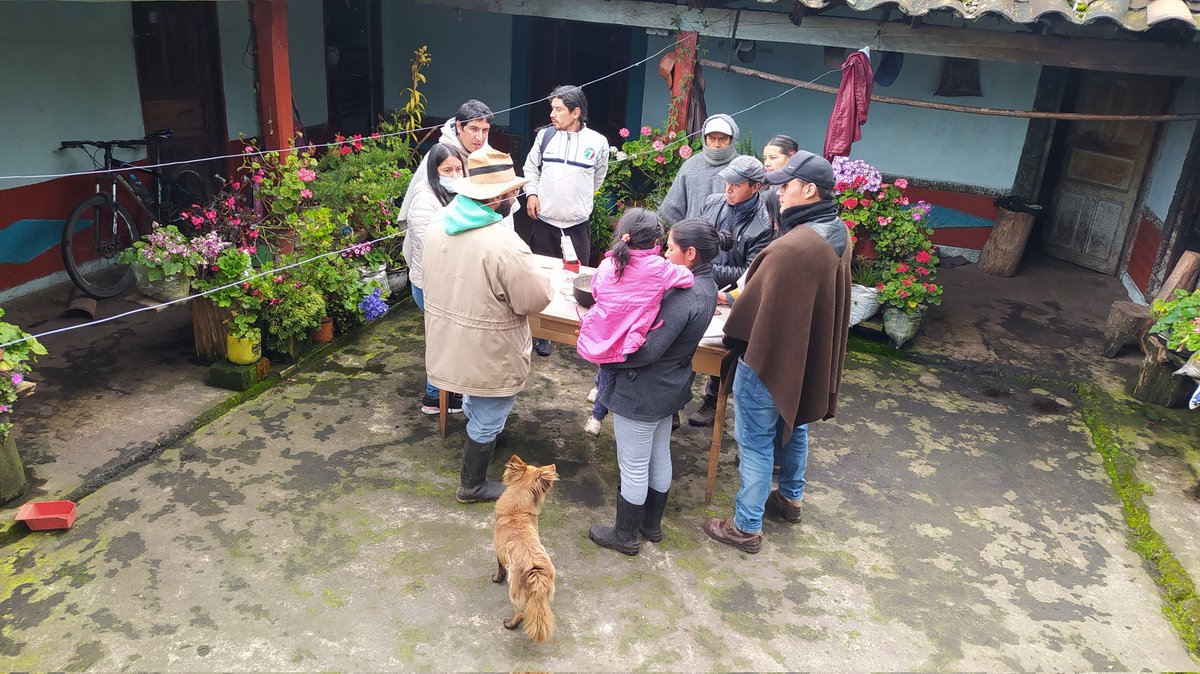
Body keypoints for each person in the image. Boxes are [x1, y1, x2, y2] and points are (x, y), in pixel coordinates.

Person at [702, 150, 852, 554]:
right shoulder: (838, 231)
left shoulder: (793, 247)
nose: (779, 192)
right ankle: (789, 498)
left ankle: (746, 526)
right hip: (800, 357)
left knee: (755, 440)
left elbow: (751, 304)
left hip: (767, 361)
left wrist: (728, 317)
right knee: (793, 423)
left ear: (809, 190)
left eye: (786, 186)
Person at [423, 148, 554, 503]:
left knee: (473, 397)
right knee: (490, 410)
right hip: (489, 347)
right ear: (496, 197)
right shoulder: (503, 242)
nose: (515, 198)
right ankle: (472, 484)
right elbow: (535, 299)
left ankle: (477, 438)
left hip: (448, 338)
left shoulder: (438, 224)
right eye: (512, 192)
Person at [588, 219, 721, 555]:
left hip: (644, 390)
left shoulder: (684, 293)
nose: (664, 252)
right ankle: (650, 525)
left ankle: (625, 536)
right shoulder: (706, 284)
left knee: (633, 464)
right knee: (658, 454)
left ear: (690, 253)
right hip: (671, 385)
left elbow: (648, 350)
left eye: (671, 247)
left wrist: (609, 358)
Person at [576, 209, 694, 436]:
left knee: (605, 364)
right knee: (611, 372)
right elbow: (688, 278)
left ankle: (597, 386)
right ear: (656, 241)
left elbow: (596, 292)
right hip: (628, 338)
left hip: (601, 331)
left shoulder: (607, 264)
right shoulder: (660, 268)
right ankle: (597, 417)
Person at [524, 85, 610, 358]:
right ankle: (541, 335)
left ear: (576, 112)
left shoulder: (597, 142)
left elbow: (598, 177)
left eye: (558, 109)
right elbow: (530, 168)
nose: (552, 114)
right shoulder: (545, 137)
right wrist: (533, 193)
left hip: (577, 226)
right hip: (545, 221)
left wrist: (579, 203)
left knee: (578, 280)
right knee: (542, 278)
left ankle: (578, 330)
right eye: (552, 108)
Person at [687, 155, 773, 427]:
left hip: (731, 294)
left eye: (736, 185)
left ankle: (713, 399)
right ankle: (675, 400)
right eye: (727, 182)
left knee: (723, 348)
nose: (729, 189)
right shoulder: (713, 204)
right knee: (685, 340)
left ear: (755, 187)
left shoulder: (763, 225)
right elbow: (694, 242)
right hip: (700, 285)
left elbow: (753, 272)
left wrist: (708, 274)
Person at [403, 144, 467, 416]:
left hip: (449, 280)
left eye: (458, 169)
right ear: (433, 172)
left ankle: (449, 393)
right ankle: (433, 397)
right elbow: (432, 241)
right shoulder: (423, 198)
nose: (453, 174)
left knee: (451, 338)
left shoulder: (457, 193)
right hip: (428, 283)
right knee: (442, 339)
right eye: (447, 170)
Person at [398, 99, 495, 223]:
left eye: (485, 130)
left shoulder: (489, 156)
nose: (480, 137)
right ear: (459, 126)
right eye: (474, 129)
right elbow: (422, 214)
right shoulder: (440, 154)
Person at [658, 114, 741, 226]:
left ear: (732, 139)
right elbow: (670, 210)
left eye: (723, 139)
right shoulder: (691, 166)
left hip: (732, 239)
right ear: (704, 138)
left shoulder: (742, 166)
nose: (716, 144)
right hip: (692, 239)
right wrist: (683, 234)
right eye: (711, 139)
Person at [760, 135, 798, 231]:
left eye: (773, 158)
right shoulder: (761, 184)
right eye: (765, 158)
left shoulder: (796, 188)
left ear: (791, 156)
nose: (767, 163)